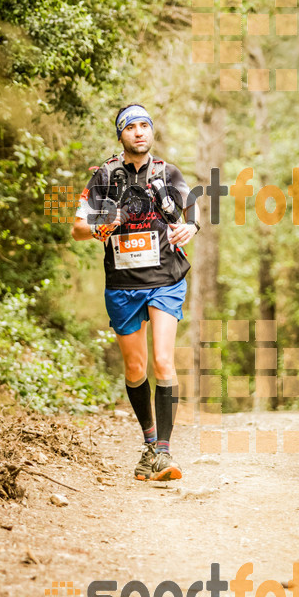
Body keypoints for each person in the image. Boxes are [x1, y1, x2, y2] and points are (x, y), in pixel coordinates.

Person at [71, 104, 201, 481]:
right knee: (134, 368)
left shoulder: (167, 172)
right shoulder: (104, 176)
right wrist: (104, 219)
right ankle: (148, 445)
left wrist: (190, 228)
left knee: (163, 361)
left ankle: (164, 453)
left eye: (145, 125)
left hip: (165, 277)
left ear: (152, 132)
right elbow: (77, 228)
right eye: (132, 127)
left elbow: (192, 209)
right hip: (123, 285)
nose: (140, 132)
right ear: (121, 134)